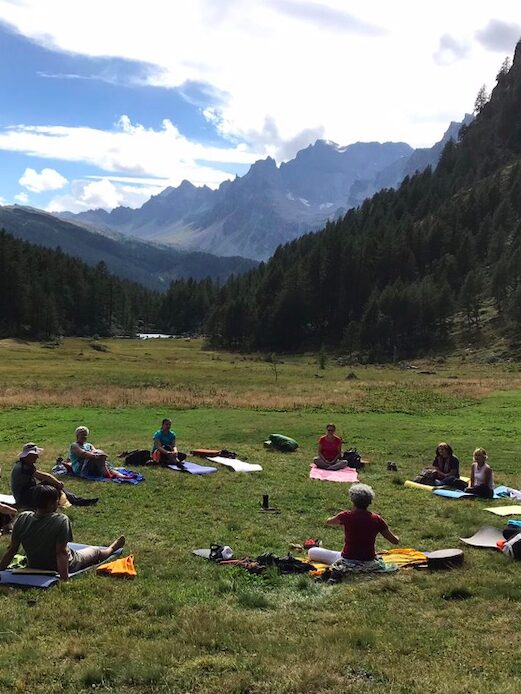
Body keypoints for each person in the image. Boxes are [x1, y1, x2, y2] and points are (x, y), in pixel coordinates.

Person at [0, 485, 125, 581]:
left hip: (34, 563)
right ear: (51, 503)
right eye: (56, 501)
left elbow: (12, 549)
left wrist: (1, 569)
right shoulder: (60, 520)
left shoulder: (22, 517)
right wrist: (64, 578)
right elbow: (61, 552)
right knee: (95, 551)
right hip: (62, 565)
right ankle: (111, 548)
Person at [326, 483, 399, 576]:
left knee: (313, 551)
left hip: (348, 559)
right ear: (369, 502)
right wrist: (397, 537)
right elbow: (395, 541)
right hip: (369, 560)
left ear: (352, 500)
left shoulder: (345, 516)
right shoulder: (377, 519)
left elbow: (329, 522)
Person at [11, 442, 98, 508]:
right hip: (23, 498)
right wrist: (57, 483)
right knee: (51, 484)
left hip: (26, 493)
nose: (37, 457)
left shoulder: (23, 464)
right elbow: (44, 476)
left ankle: (73, 499)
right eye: (35, 455)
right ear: (28, 455)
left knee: (50, 484)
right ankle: (74, 501)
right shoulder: (24, 467)